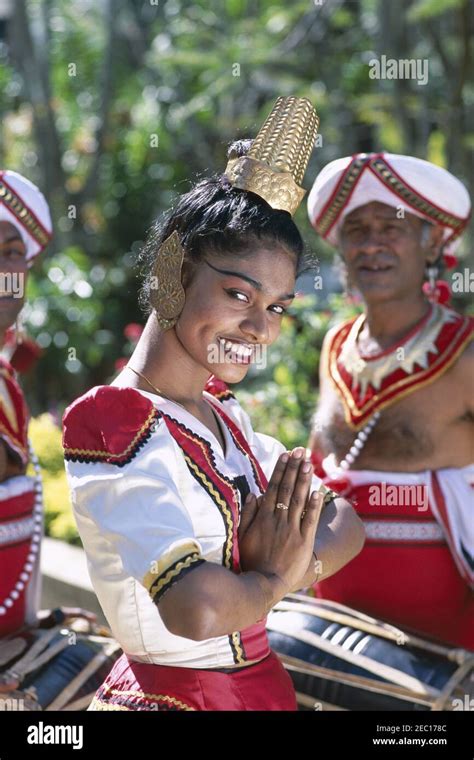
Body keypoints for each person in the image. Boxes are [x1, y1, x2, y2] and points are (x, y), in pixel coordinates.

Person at [62, 96, 365, 712]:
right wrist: (275, 576)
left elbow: (348, 523)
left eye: (277, 306)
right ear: (174, 270)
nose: (261, 327)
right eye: (237, 293)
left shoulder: (226, 419)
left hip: (263, 690)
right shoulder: (113, 422)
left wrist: (257, 578)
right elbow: (196, 610)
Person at [306, 152, 473, 650]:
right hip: (332, 633)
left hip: (442, 655)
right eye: (356, 230)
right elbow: (319, 464)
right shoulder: (334, 347)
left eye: (391, 228)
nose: (371, 244)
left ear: (431, 243)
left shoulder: (465, 352)